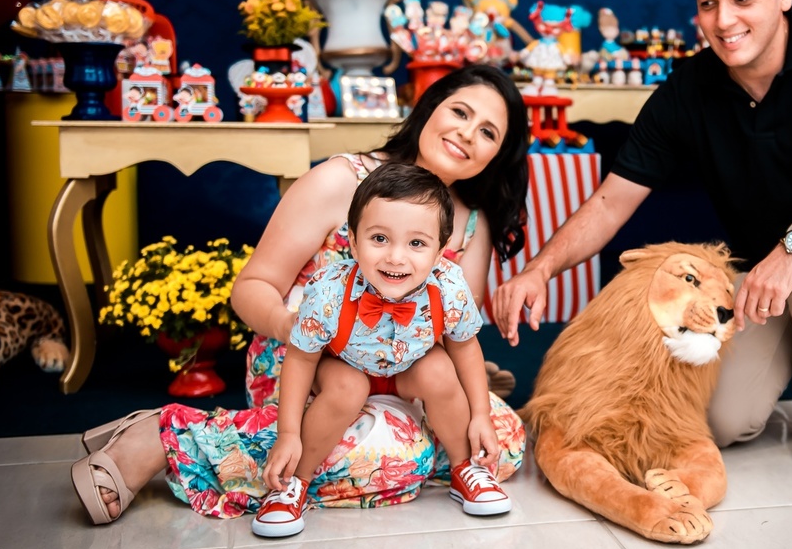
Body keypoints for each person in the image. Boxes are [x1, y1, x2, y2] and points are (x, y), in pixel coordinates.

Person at [492, 0, 792, 467]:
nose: (723, 21)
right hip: (762, 280)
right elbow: (609, 203)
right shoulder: (689, 88)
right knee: (716, 421)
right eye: (708, 3)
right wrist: (539, 270)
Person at [72, 64, 531, 525]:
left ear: (497, 154)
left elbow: (451, 337)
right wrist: (292, 328)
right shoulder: (342, 179)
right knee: (394, 452)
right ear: (430, 108)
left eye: (488, 131)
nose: (468, 133)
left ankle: (363, 452)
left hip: (403, 375)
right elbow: (252, 288)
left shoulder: (472, 225)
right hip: (308, 367)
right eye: (460, 112)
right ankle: (163, 437)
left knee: (504, 441)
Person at [254, 162, 510, 538]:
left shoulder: (448, 288)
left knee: (439, 370)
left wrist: (481, 415)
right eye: (379, 239)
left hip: (407, 368)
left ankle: (464, 469)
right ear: (353, 242)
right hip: (345, 365)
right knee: (347, 388)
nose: (396, 257)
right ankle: (295, 482)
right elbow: (301, 357)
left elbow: (466, 348)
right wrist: (288, 432)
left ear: (440, 253)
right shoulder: (328, 292)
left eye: (417, 243)